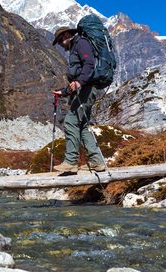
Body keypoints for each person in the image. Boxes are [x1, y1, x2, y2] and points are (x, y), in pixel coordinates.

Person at [52, 26, 106, 173]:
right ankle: (97, 162)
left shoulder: (81, 43)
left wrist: (80, 82)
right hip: (84, 88)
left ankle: (70, 162)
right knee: (81, 126)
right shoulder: (75, 46)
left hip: (87, 89)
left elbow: (89, 64)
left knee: (70, 122)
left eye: (61, 40)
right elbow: (75, 80)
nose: (61, 44)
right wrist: (63, 92)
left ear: (67, 35)